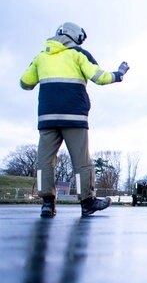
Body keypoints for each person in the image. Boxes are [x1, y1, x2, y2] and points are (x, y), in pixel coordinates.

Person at [20, 22, 130, 217]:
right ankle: (87, 202)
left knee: (44, 161)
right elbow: (100, 78)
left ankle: (47, 204)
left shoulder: (41, 57)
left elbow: (25, 83)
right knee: (81, 162)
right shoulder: (78, 54)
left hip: (47, 118)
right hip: (74, 117)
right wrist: (119, 74)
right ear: (74, 36)